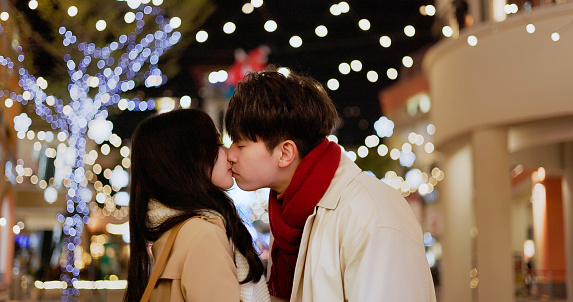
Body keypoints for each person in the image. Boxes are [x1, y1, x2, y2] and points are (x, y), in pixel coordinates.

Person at [225, 70, 437, 301]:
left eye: (240, 145)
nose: (230, 155)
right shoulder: (289, 213)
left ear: (285, 153)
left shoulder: (371, 212)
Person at [124, 109, 270, 302]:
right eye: (217, 144)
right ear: (187, 161)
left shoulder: (176, 230)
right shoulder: (202, 234)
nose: (228, 154)